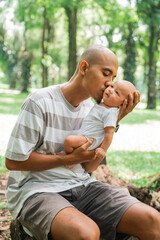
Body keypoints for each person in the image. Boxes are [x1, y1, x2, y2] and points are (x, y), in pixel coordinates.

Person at [5, 45, 160, 240]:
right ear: (84, 68)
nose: (109, 84)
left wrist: (114, 122)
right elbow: (14, 161)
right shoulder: (39, 102)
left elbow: (89, 166)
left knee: (152, 221)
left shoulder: (96, 111)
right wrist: (65, 159)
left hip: (83, 186)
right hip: (38, 190)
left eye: (113, 79)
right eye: (106, 74)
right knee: (85, 233)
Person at [64, 80, 136, 169]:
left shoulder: (110, 112)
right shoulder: (102, 105)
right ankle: (71, 158)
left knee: (69, 141)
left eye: (116, 92)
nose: (110, 90)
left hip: (89, 140)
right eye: (112, 86)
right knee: (70, 142)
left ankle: (71, 161)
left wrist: (103, 149)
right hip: (86, 136)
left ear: (122, 105)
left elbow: (109, 133)